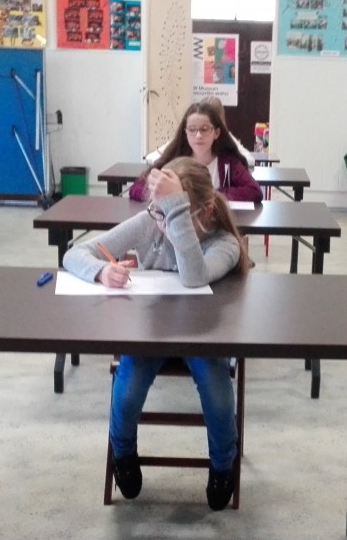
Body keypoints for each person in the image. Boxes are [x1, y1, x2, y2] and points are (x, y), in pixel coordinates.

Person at [64, 157, 251, 510]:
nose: (162, 223)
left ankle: (223, 465)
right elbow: (76, 253)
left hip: (203, 337)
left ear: (206, 212)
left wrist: (175, 211)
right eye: (158, 212)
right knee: (127, 392)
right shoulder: (152, 221)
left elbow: (193, 276)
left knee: (217, 396)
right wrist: (102, 271)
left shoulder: (224, 242)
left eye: (174, 215)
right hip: (151, 334)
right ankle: (123, 454)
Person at [133, 100, 261, 202]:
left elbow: (254, 191)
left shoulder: (228, 162)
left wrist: (208, 195)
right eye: (192, 130)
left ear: (216, 133)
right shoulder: (175, 160)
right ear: (185, 133)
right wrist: (161, 193)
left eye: (204, 129)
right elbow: (136, 188)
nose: (198, 135)